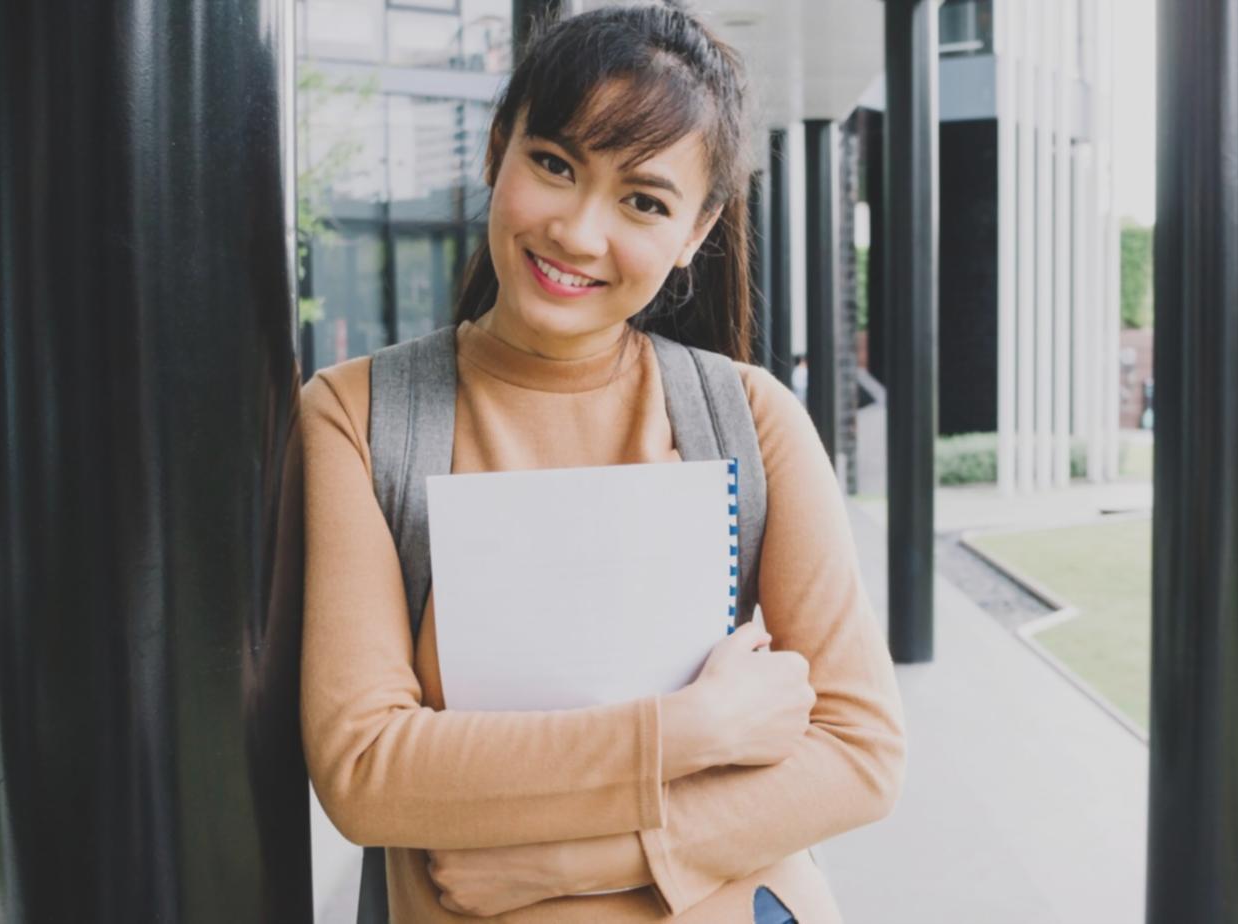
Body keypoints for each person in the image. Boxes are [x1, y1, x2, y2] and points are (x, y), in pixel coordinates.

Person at [299, 4, 906, 923]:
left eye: (643, 201)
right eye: (554, 165)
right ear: (498, 148)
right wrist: (692, 730)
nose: (579, 233)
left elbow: (860, 752)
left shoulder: (749, 416)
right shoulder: (359, 415)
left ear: (695, 233)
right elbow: (366, 773)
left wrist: (570, 863)